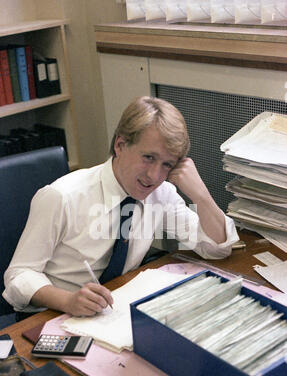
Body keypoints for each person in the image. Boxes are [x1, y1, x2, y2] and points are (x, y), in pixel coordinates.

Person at [3, 96, 239, 318]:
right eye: (148, 157)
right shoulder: (62, 197)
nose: (154, 175)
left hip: (113, 312)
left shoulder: (161, 194)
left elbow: (217, 248)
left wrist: (201, 195)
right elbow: (18, 276)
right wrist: (68, 301)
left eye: (167, 164)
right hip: (53, 314)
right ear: (120, 144)